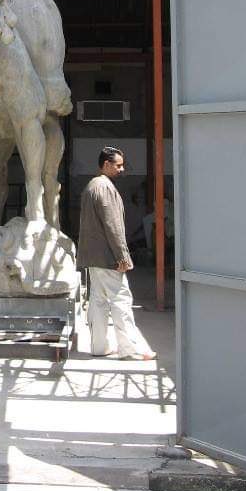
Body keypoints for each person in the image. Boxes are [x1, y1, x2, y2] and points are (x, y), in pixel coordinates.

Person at [77, 146, 156, 360]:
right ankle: (131, 349)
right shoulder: (105, 188)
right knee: (121, 300)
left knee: (98, 302)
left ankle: (99, 347)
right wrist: (122, 256)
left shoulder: (91, 186)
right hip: (108, 258)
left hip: (93, 257)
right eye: (118, 165)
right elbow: (113, 226)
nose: (122, 169)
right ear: (106, 165)